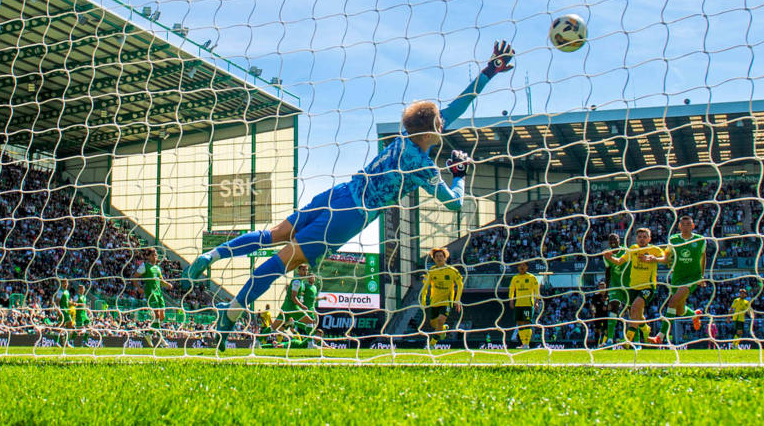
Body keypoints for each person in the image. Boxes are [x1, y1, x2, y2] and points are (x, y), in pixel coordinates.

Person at [183, 41, 516, 351]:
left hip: (340, 192)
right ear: (431, 130)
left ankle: (213, 256)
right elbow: (454, 203)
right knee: (277, 264)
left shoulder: (403, 136)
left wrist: (488, 72)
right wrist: (458, 177)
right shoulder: (423, 166)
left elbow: (456, 106)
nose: (446, 124)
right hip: (351, 216)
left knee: (274, 234)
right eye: (441, 122)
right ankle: (227, 322)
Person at [649, 215, 706, 345]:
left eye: (688, 224)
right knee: (679, 311)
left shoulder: (700, 240)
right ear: (679, 226)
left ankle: (660, 336)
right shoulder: (673, 240)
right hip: (677, 277)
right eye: (683, 224)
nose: (685, 227)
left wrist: (702, 276)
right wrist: (655, 259)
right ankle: (694, 314)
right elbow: (665, 258)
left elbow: (703, 257)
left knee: (672, 303)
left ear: (693, 226)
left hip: (692, 278)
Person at [604, 228, 665, 348]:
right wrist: (609, 257)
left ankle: (628, 339)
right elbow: (619, 261)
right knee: (636, 313)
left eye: (645, 237)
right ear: (636, 239)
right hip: (633, 287)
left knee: (635, 308)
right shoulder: (632, 249)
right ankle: (646, 328)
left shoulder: (654, 250)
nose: (642, 239)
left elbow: (665, 259)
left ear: (649, 238)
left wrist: (655, 259)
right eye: (640, 237)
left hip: (648, 286)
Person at [419, 247, 463, 349]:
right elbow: (425, 287)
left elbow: (460, 285)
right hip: (434, 301)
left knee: (440, 320)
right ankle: (443, 329)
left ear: (445, 258)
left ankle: (432, 344)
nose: (439, 258)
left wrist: (457, 300)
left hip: (447, 301)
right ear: (433, 259)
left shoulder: (452, 271)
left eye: (441, 256)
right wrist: (423, 300)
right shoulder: (432, 271)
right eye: (437, 256)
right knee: (434, 324)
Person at [133, 247, 173, 347]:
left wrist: (167, 284)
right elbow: (134, 277)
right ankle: (162, 340)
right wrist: (138, 288)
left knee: (162, 317)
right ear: (148, 256)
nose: (155, 257)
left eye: (156, 255)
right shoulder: (144, 266)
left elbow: (161, 281)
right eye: (153, 255)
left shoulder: (158, 268)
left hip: (159, 293)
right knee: (157, 316)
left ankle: (149, 334)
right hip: (151, 293)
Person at [601, 233, 630, 347]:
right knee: (614, 308)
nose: (613, 241)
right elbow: (607, 272)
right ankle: (609, 339)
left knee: (632, 310)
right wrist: (606, 291)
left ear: (620, 241)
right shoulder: (606, 254)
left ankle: (635, 339)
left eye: (615, 239)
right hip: (616, 285)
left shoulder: (626, 251)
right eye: (611, 239)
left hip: (628, 285)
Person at [508, 261, 539, 349]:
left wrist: (537, 302)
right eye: (520, 265)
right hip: (518, 305)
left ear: (527, 267)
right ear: (517, 267)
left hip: (528, 304)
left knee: (527, 322)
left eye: (524, 265)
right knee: (519, 323)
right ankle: (523, 343)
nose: (522, 267)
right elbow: (511, 290)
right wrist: (511, 301)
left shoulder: (532, 277)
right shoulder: (515, 278)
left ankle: (527, 343)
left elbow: (537, 291)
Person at [54, 278, 75, 348]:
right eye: (64, 283)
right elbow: (57, 301)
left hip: (67, 310)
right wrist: (58, 310)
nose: (66, 284)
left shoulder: (67, 292)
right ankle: (60, 342)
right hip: (63, 311)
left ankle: (64, 342)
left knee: (64, 326)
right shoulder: (60, 291)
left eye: (66, 283)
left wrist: (73, 303)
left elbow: (67, 302)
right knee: (65, 325)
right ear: (62, 284)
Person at [590, 281, 609, 348]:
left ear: (605, 287)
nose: (602, 287)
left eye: (603, 286)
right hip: (598, 315)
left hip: (607, 315)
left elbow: (612, 304)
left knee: (606, 330)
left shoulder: (609, 295)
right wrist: (593, 310)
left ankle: (605, 343)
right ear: (598, 287)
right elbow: (592, 304)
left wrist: (607, 307)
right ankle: (596, 345)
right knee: (597, 330)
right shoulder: (595, 296)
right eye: (600, 286)